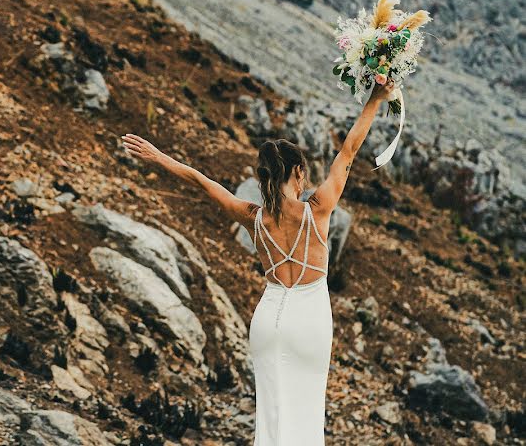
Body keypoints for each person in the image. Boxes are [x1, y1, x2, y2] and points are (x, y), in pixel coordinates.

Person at [120, 79, 396, 445]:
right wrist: (376, 99)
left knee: (271, 418)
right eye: (305, 173)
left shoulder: (251, 216)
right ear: (298, 173)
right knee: (305, 413)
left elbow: (201, 181)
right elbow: (348, 152)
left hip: (267, 321)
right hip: (310, 321)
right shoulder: (319, 207)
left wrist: (158, 156)